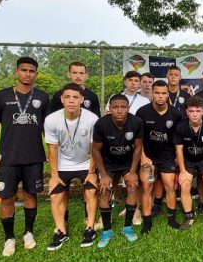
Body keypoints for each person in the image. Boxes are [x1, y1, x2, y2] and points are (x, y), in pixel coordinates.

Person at [0, 56, 50, 257]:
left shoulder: (42, 97)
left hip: (33, 157)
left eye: (32, 71)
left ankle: (28, 232)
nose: (28, 74)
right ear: (16, 71)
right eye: (24, 70)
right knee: (7, 198)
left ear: (36, 74)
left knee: (31, 194)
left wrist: (50, 150)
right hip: (8, 158)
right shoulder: (1, 96)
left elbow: (45, 126)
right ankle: (9, 238)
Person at [44, 83, 100, 250]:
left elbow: (94, 148)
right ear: (61, 99)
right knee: (55, 194)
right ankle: (61, 231)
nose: (71, 101)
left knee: (91, 190)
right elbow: (52, 149)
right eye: (67, 97)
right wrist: (54, 175)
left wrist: (91, 172)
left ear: (82, 100)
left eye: (75, 97)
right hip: (63, 163)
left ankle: (90, 228)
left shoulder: (92, 119)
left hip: (86, 162)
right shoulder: (51, 120)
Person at [91, 94, 142, 247]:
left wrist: (132, 171)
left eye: (123, 107)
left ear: (128, 108)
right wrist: (103, 174)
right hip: (108, 163)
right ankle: (107, 230)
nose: (119, 110)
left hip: (127, 162)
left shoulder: (136, 122)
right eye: (115, 107)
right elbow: (95, 150)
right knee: (105, 190)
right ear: (110, 108)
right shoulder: (101, 123)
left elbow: (138, 147)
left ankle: (128, 227)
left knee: (132, 186)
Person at [136, 80, 184, 233]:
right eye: (157, 93)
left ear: (168, 94)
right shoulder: (142, 112)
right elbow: (138, 139)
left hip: (168, 157)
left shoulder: (176, 113)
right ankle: (147, 222)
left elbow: (180, 138)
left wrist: (177, 156)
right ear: (152, 93)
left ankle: (172, 219)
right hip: (148, 157)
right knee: (146, 187)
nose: (160, 96)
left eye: (164, 93)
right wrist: (143, 157)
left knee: (170, 186)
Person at [175, 96, 203, 229]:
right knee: (185, 183)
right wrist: (182, 171)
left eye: (198, 111)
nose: (195, 114)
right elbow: (179, 150)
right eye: (191, 111)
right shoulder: (180, 126)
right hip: (188, 160)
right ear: (187, 112)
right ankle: (189, 217)